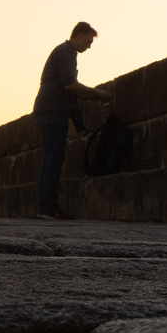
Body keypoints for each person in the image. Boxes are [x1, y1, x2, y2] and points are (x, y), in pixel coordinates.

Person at [33, 21, 112, 220]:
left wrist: (93, 95)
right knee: (54, 160)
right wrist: (97, 93)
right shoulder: (66, 52)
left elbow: (69, 86)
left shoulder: (65, 52)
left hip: (46, 109)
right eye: (87, 41)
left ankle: (44, 207)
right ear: (78, 35)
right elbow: (69, 84)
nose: (88, 47)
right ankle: (49, 207)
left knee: (48, 160)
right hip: (53, 111)